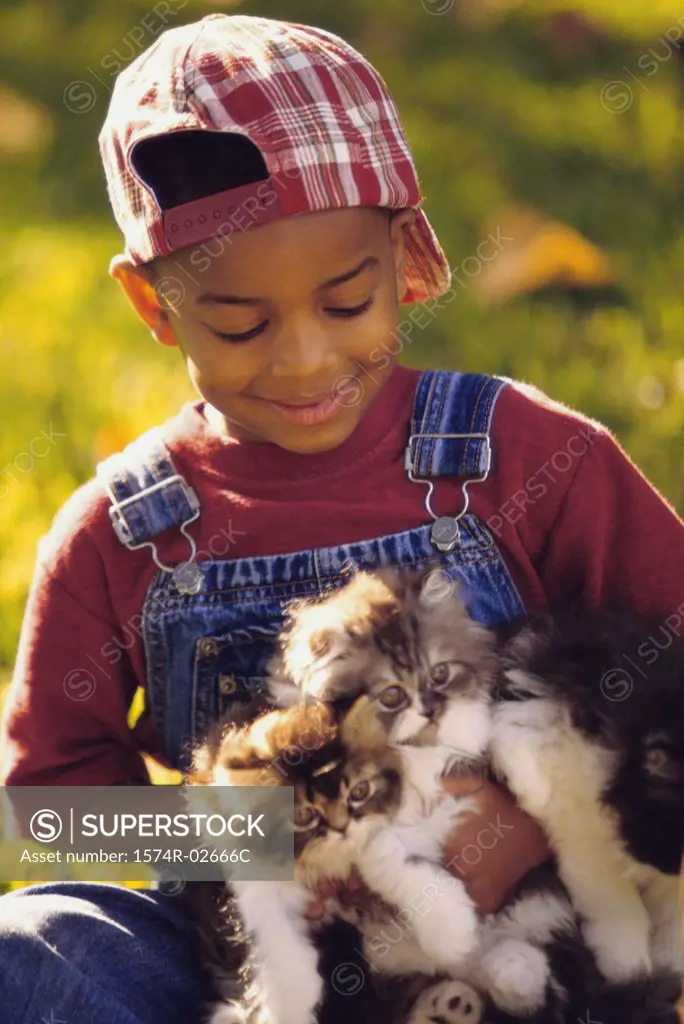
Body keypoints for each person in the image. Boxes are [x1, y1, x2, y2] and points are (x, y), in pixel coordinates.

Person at [1, 12, 682, 1024]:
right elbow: (43, 811)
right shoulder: (127, 532)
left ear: (402, 251)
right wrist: (269, 839)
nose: (305, 359)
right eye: (240, 323)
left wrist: (547, 813)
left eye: (349, 300)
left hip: (531, 939)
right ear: (153, 306)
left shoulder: (521, 455)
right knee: (38, 947)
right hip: (255, 963)